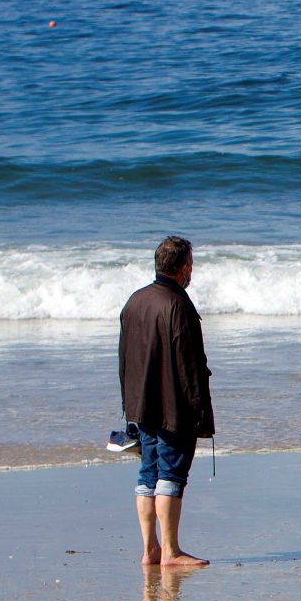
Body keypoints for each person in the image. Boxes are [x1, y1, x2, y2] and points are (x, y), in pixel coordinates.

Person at [119, 236, 214, 568]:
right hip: (173, 404)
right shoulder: (178, 303)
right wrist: (200, 412)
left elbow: (124, 358)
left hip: (141, 403)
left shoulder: (134, 301)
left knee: (148, 473)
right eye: (192, 265)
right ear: (184, 267)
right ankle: (171, 552)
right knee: (171, 474)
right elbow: (189, 365)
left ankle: (150, 550)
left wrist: (128, 406)